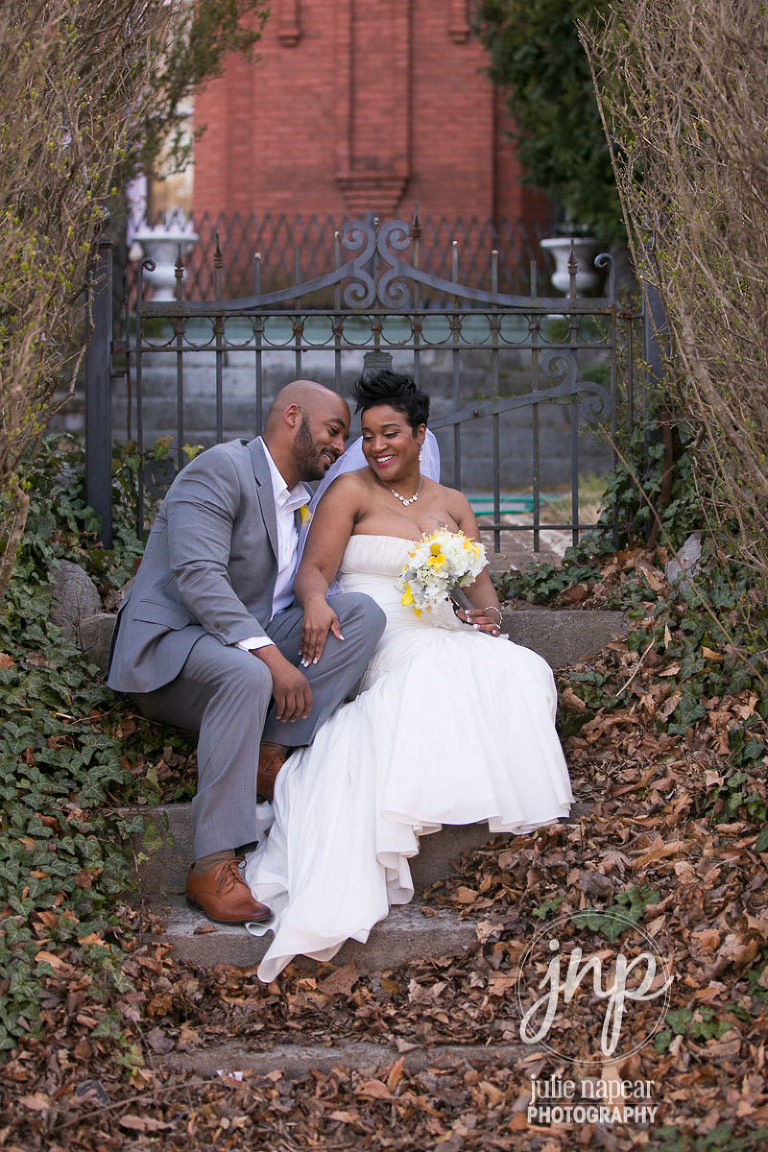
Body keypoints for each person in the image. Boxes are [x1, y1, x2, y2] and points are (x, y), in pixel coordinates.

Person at [244, 370, 573, 981]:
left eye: (389, 433)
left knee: (518, 666)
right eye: (366, 436)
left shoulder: (453, 504)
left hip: (440, 627)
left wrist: (487, 617)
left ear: (421, 434)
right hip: (378, 631)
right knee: (428, 676)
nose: (376, 447)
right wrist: (316, 602)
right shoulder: (350, 492)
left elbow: (479, 589)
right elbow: (314, 571)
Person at [106, 380, 387, 925]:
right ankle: (212, 864)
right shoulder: (221, 470)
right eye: (333, 432)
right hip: (171, 644)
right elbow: (198, 576)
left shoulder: (300, 501)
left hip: (236, 642)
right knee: (247, 676)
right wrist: (273, 658)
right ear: (292, 417)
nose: (339, 446)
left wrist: (312, 609)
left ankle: (269, 754)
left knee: (359, 617)